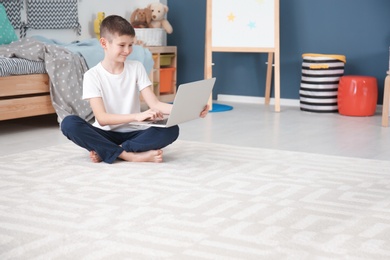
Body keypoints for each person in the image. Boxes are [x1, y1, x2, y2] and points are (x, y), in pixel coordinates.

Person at [61, 15, 209, 164]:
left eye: (131, 45)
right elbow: (102, 119)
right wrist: (136, 116)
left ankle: (109, 151)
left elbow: (155, 105)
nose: (127, 50)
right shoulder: (92, 75)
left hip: (135, 133)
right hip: (104, 133)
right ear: (104, 43)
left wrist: (194, 109)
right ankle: (129, 155)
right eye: (122, 45)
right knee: (69, 124)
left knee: (171, 129)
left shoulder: (136, 67)